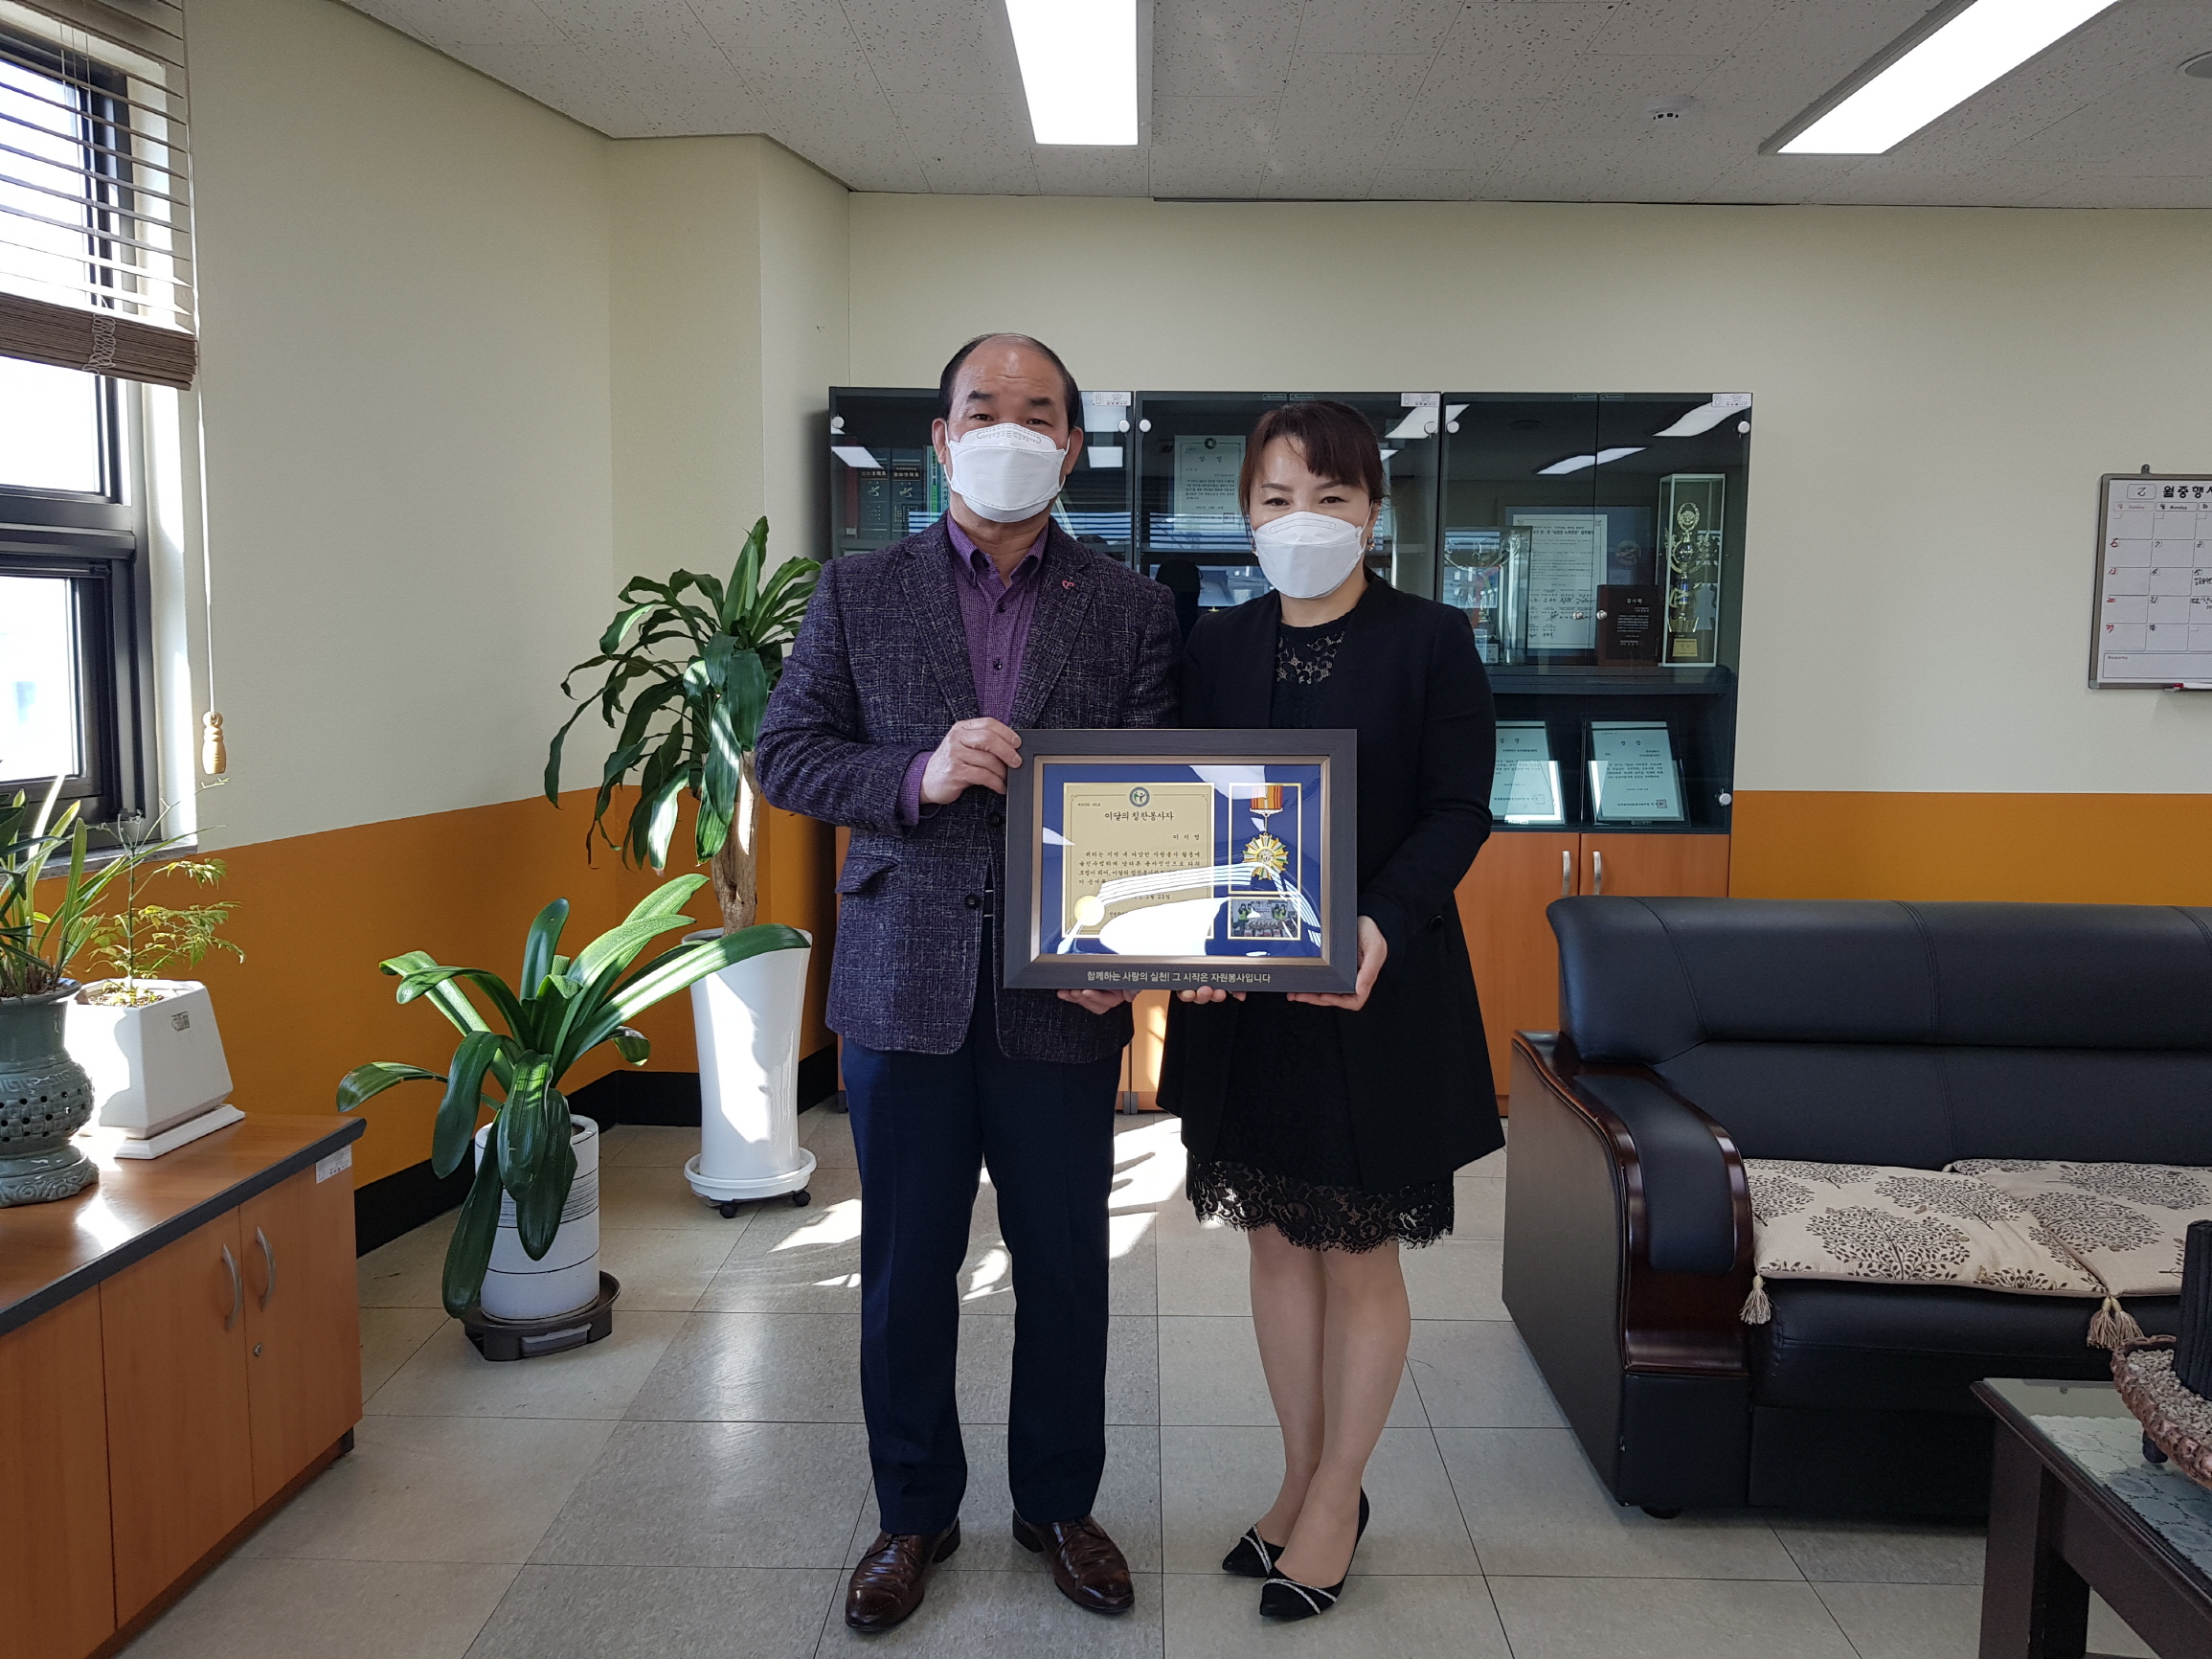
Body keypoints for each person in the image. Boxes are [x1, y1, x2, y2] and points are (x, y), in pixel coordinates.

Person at [756, 333, 1181, 1633]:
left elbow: (1160, 794)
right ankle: (911, 1513)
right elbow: (786, 755)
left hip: (1066, 993)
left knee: (1065, 1267)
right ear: (941, 440)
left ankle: (1057, 1504)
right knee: (904, 1271)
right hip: (903, 986)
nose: (1010, 431)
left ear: (1071, 446)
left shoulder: (1130, 606)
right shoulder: (855, 591)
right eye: (982, 409)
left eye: (1038, 413)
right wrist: (913, 775)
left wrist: (1130, 954)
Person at [1157, 398, 1501, 1621]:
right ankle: (1301, 1478)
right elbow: (1184, 799)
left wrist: (1378, 918)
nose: (1303, 519)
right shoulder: (1217, 641)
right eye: (1277, 497)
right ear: (1246, 512)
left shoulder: (1431, 638)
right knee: (1273, 1239)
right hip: (1249, 1000)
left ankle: (1340, 1493)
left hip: (1373, 989)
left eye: (1332, 496)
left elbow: (1459, 808)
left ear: (1373, 511)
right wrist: (1182, 930)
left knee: (1357, 1250)